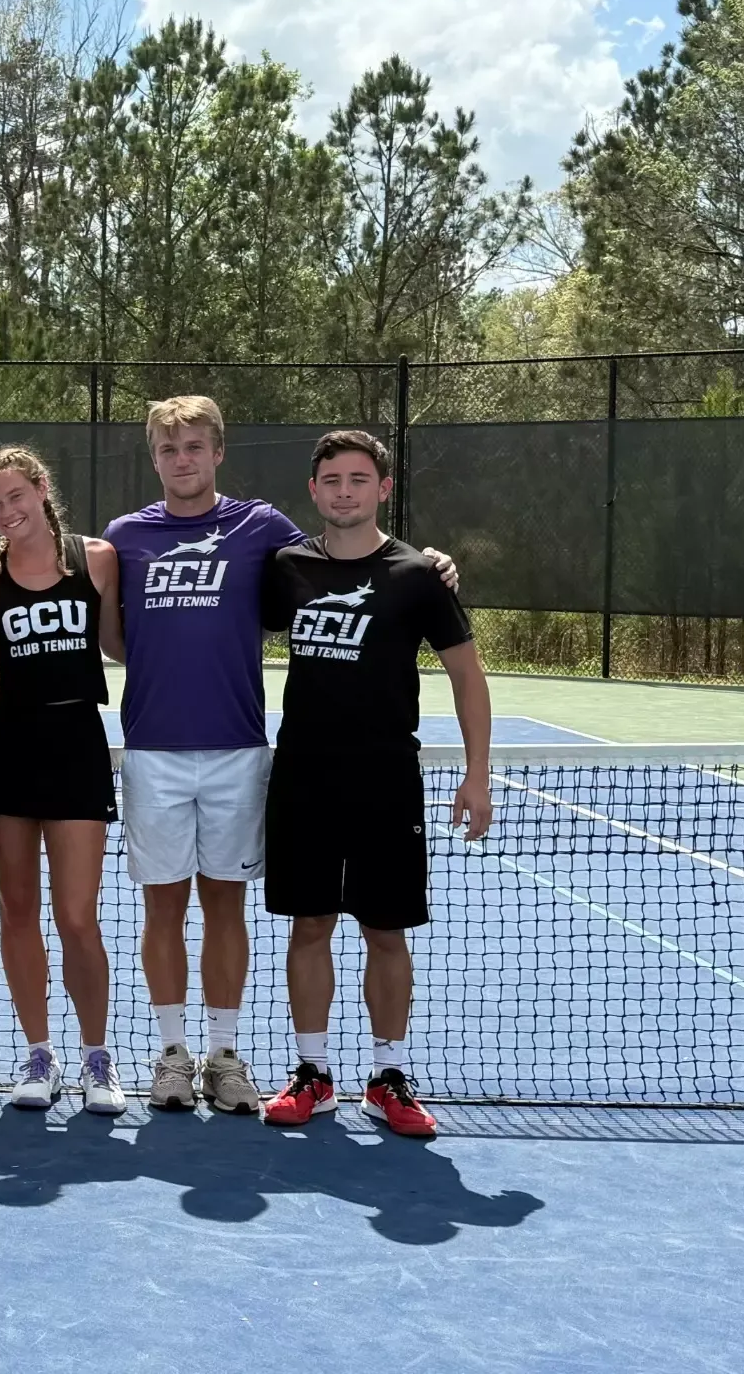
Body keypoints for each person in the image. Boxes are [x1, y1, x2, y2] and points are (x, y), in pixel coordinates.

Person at [102, 395, 455, 1115]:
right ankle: (172, 1055)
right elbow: (112, 637)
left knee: (224, 907)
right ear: (154, 458)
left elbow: (346, 553)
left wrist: (431, 561)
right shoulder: (124, 537)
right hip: (152, 751)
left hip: (239, 750)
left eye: (195, 446)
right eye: (169, 449)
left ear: (217, 452)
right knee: (162, 909)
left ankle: (224, 1056)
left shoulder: (262, 527)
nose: (182, 459)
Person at [260, 430, 492, 1139]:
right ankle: (312, 1073)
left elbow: (467, 676)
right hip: (302, 777)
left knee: (384, 931)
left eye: (359, 479)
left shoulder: (418, 575)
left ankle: (388, 1077)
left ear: (383, 489)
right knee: (309, 926)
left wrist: (478, 775)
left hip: (386, 780)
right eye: (332, 480)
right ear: (314, 490)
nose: (345, 492)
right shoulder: (287, 566)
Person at [0, 446, 129, 1114]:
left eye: (16, 496)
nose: (7, 511)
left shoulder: (98, 559)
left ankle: (97, 1058)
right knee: (17, 910)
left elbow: (119, 644)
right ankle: (39, 1054)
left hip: (75, 746)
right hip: (6, 747)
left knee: (77, 917)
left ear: (41, 488)